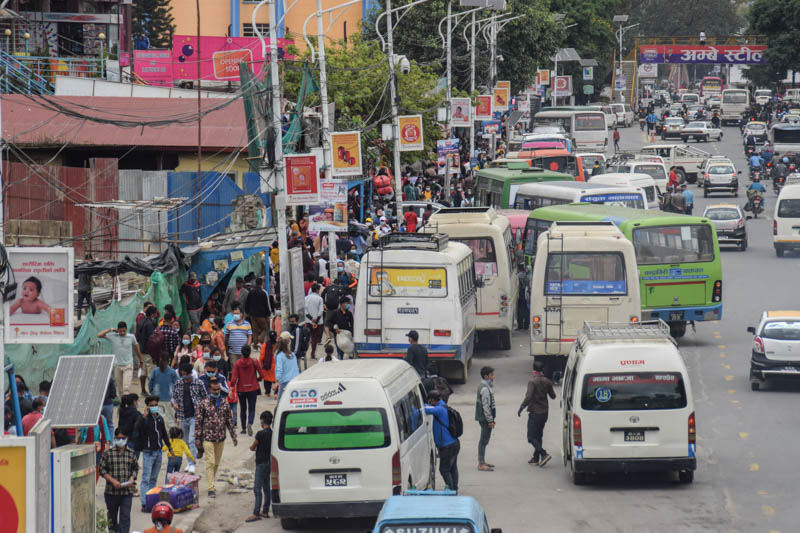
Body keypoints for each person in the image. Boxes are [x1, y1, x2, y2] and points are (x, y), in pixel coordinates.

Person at [194, 378, 238, 498]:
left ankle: (210, 481)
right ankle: (211, 488)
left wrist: (234, 437)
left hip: (220, 438)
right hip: (207, 438)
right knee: (210, 462)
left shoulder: (224, 402)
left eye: (218, 389)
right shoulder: (203, 404)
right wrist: (197, 437)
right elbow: (198, 421)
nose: (217, 391)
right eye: (214, 390)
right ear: (209, 389)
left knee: (216, 463)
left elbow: (229, 420)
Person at [134, 395, 172, 511]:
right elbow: (136, 429)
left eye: (156, 405)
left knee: (153, 478)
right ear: (147, 407)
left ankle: (152, 501)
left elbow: (164, 434)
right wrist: (143, 417)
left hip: (158, 452)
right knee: (145, 478)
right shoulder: (144, 419)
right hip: (148, 452)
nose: (154, 407)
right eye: (152, 406)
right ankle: (145, 503)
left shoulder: (159, 419)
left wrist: (170, 447)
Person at [517, 360, 555, 467]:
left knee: (531, 437)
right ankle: (536, 458)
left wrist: (521, 407)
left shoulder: (532, 382)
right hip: (544, 413)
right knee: (539, 435)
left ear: (533, 370)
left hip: (535, 413)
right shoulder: (547, 381)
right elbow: (553, 396)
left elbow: (528, 397)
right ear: (542, 370)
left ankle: (543, 453)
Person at [99, 428, 138, 533]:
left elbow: (135, 468)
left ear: (127, 438)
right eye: (118, 438)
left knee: (125, 517)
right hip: (111, 492)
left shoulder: (131, 453)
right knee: (112, 517)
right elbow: (102, 470)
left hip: (126, 492)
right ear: (114, 439)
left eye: (123, 438)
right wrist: (113, 481)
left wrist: (131, 478)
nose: (120, 440)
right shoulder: (108, 453)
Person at [170, 362, 206, 474]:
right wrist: (174, 404)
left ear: (191, 373)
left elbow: (205, 397)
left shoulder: (198, 383)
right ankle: (189, 461)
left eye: (186, 373)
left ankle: (192, 464)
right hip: (182, 416)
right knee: (184, 441)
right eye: (182, 374)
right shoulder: (178, 383)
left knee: (191, 440)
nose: (184, 375)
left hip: (194, 416)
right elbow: (173, 397)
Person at [424, 390, 460, 491]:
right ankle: (455, 489)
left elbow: (425, 409)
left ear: (432, 400)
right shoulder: (443, 405)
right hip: (454, 443)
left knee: (444, 470)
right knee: (452, 468)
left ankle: (451, 490)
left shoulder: (439, 409)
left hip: (447, 446)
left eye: (429, 401)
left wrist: (417, 407)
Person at [99, 322, 144, 397]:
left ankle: (126, 404)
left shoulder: (131, 337)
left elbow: (137, 348)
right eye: (120, 331)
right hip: (117, 366)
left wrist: (141, 360)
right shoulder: (113, 336)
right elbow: (99, 335)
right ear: (118, 330)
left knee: (126, 388)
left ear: (126, 329)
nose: (122, 333)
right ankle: (123, 405)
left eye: (124, 331)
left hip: (128, 365)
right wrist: (111, 329)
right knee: (120, 390)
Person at [246, 411, 273, 522]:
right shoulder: (272, 433)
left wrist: (251, 447)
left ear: (262, 420)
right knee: (267, 488)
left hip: (261, 463)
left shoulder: (260, 434)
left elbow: (253, 447)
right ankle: (265, 511)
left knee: (257, 489)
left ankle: (256, 513)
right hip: (269, 462)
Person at [231, 344, 262, 436]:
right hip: (253, 388)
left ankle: (243, 428)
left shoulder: (238, 363)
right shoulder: (254, 361)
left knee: (243, 408)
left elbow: (234, 378)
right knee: (252, 408)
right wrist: (260, 378)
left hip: (241, 389)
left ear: (242, 352)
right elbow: (261, 373)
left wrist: (232, 386)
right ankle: (250, 423)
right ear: (250, 352)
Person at [475, 366, 496, 472]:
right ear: (486, 376)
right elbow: (486, 407)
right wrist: (490, 420)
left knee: (484, 440)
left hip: (485, 418)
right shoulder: (484, 388)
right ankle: (481, 463)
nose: (493, 377)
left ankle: (482, 461)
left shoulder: (485, 386)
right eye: (491, 375)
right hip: (485, 419)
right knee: (483, 441)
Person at [148, 357, 179, 426]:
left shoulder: (155, 371)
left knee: (159, 419)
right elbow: (177, 386)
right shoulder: (172, 372)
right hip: (169, 399)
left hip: (157, 399)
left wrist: (151, 392)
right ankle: (171, 434)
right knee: (170, 420)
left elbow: (150, 383)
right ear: (168, 361)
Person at [136, 306, 159, 392]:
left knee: (143, 371)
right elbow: (151, 339)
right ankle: (152, 390)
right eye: (155, 313)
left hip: (142, 350)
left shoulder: (143, 321)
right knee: (150, 372)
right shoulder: (150, 324)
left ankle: (143, 390)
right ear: (152, 314)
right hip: (148, 351)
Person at [245, 277, 272, 345]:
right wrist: (268, 314)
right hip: (261, 315)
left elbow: (247, 303)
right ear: (262, 283)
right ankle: (260, 340)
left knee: (255, 330)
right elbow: (267, 304)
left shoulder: (251, 292)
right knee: (264, 328)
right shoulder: (264, 292)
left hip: (252, 315)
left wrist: (247, 312)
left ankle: (255, 346)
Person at [274, 334, 300, 401]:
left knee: (280, 401)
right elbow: (296, 368)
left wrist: (277, 381)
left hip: (285, 381)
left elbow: (279, 369)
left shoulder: (279, 356)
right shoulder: (293, 354)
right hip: (294, 380)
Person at [304, 283, 325, 359]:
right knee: (314, 338)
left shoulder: (306, 298)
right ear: (317, 290)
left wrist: (310, 318)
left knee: (306, 338)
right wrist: (316, 320)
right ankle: (312, 354)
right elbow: (321, 310)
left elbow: (305, 310)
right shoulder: (320, 299)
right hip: (317, 321)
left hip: (308, 321)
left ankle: (304, 353)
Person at [77, 253, 95, 320]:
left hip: (80, 289)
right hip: (87, 289)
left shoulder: (80, 266)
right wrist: (93, 282)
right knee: (90, 305)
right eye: (91, 259)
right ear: (89, 259)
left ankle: (79, 319)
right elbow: (88, 278)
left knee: (79, 306)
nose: (91, 261)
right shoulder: (88, 267)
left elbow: (77, 276)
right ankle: (92, 317)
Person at [259, 331, 278, 396]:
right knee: (276, 380)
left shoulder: (265, 345)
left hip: (268, 365)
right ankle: (276, 392)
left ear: (269, 337)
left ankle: (268, 392)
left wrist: (261, 363)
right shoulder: (278, 345)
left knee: (267, 380)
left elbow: (262, 356)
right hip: (276, 366)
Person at [516, 264, 530, 330]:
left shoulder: (518, 276)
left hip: (520, 296)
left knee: (520, 311)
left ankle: (520, 326)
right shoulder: (527, 275)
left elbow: (517, 286)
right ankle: (526, 325)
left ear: (518, 269)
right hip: (527, 296)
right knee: (527, 310)